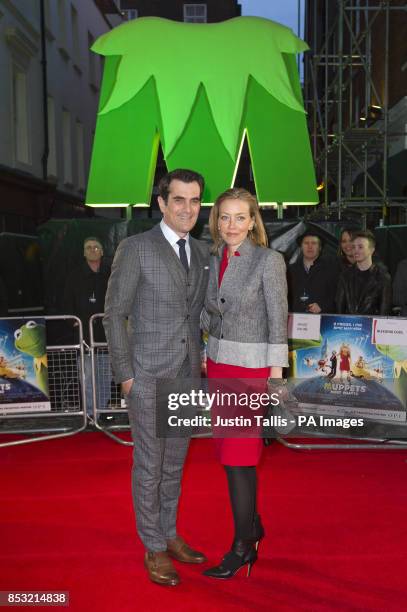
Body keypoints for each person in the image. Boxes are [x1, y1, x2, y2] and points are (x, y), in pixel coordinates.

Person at [103, 169, 209, 587]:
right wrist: (126, 375)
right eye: (179, 200)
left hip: (186, 377)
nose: (188, 208)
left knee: (176, 464)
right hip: (146, 377)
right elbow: (115, 314)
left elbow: (198, 313)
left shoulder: (200, 252)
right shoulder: (136, 248)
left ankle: (169, 533)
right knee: (149, 464)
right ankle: (153, 546)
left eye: (195, 200)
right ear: (162, 203)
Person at [201, 187, 288, 579]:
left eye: (239, 217)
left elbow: (277, 321)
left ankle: (242, 547)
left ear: (254, 221)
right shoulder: (211, 258)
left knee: (238, 457)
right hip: (218, 366)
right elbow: (207, 314)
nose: (231, 225)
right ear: (215, 221)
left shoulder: (268, 261)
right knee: (230, 454)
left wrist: (275, 381)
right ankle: (251, 527)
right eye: (224, 217)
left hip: (251, 373)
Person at [63, 237, 111, 415]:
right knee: (88, 377)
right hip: (84, 337)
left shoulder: (110, 274)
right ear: (83, 253)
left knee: (106, 376)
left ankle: (103, 412)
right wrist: (74, 324)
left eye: (96, 247)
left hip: (107, 337)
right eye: (88, 247)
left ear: (102, 251)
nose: (92, 250)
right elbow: (66, 305)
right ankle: (91, 414)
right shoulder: (74, 276)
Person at [336, 230, 392, 315]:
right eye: (354, 247)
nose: (355, 250)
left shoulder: (382, 277)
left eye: (360, 247)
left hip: (371, 326)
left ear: (372, 250)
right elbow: (339, 309)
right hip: (348, 325)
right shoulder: (345, 276)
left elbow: (385, 312)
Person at [287, 230, 339, 314]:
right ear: (301, 247)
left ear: (320, 248)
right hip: (296, 322)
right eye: (306, 243)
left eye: (314, 243)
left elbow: (338, 297)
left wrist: (323, 306)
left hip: (322, 320)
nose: (310, 246)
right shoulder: (290, 271)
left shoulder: (331, 270)